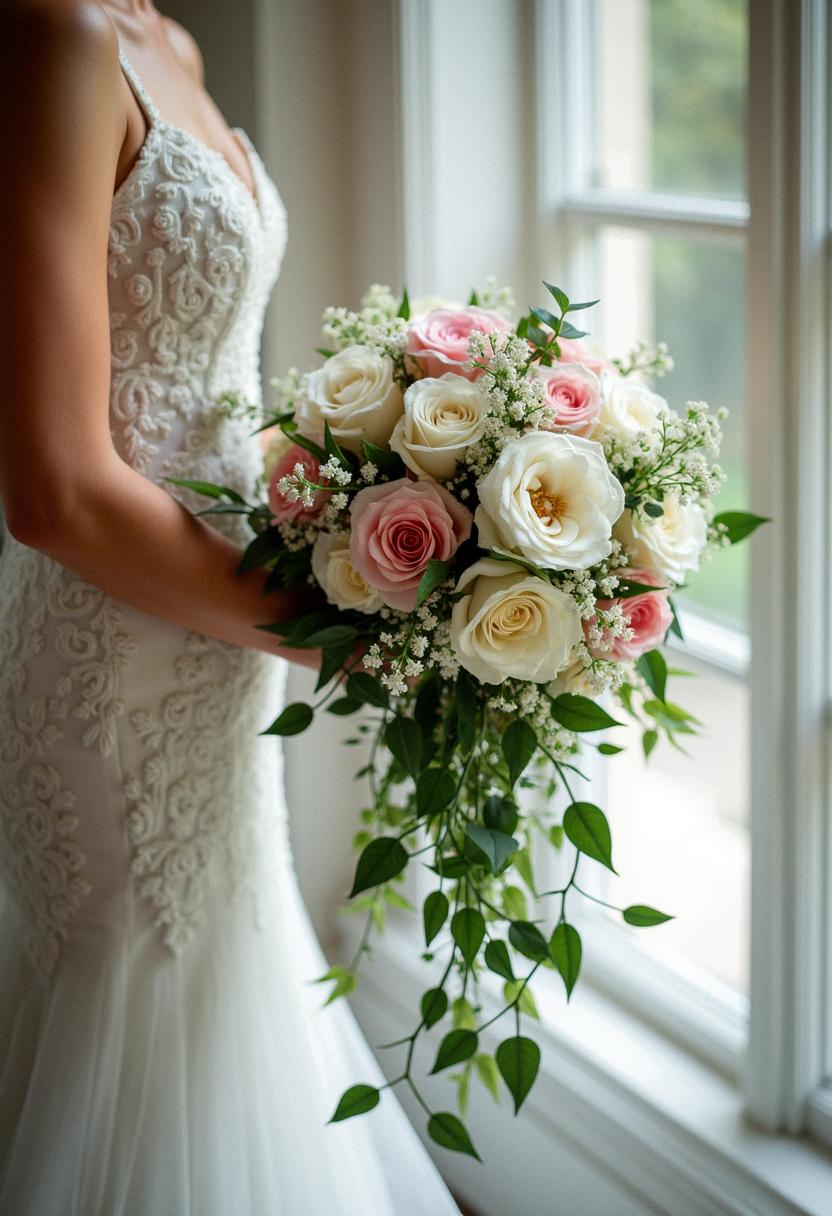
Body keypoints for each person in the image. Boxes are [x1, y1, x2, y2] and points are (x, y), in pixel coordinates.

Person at [0, 2, 463, 1212]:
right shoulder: (55, 33)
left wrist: (367, 515)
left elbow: (203, 387)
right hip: (117, 663)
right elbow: (54, 490)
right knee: (140, 1001)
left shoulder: (176, 45)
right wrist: (322, 631)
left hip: (221, 640)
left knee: (230, 981)